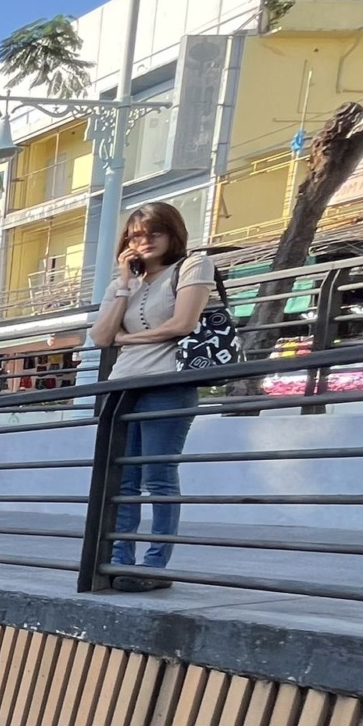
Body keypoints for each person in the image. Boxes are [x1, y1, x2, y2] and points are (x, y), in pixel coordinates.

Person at [89, 201, 214, 592]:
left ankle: (155, 566)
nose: (144, 242)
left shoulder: (193, 266)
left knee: (158, 477)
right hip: (121, 387)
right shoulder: (122, 284)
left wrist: (128, 338)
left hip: (167, 383)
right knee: (123, 481)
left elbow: (183, 323)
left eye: (154, 233)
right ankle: (120, 561)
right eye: (135, 236)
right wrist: (125, 283)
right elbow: (101, 337)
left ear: (173, 233)